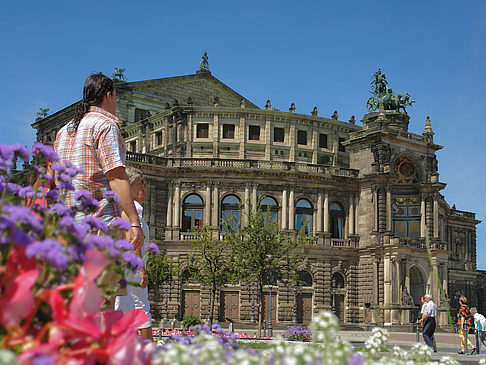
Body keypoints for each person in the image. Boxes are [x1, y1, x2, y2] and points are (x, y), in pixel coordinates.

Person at [55, 72, 144, 307]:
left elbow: (57, 180)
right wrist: (134, 222)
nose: (116, 104)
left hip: (69, 232)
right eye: (116, 98)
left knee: (75, 303)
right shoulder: (105, 125)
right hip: (99, 229)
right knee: (100, 306)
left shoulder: (63, 132)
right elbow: (116, 176)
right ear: (108, 96)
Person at [115, 167, 152, 340]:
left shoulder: (125, 208)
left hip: (126, 267)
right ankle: (148, 346)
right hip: (132, 267)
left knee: (124, 305)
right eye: (140, 182)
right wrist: (142, 270)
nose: (144, 187)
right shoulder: (132, 209)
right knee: (141, 305)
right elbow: (133, 239)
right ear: (128, 186)